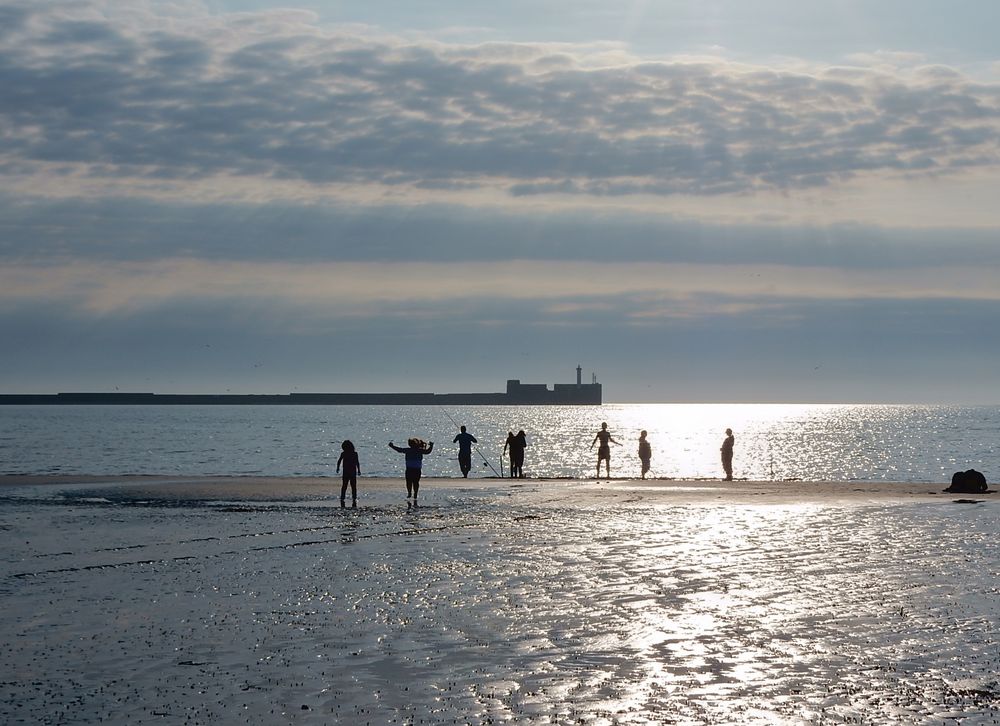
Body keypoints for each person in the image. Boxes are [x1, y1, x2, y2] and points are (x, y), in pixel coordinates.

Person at [336, 440, 361, 507]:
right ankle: (354, 498)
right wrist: (358, 470)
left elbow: (339, 461)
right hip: (352, 472)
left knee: (345, 486)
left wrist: (338, 468)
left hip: (346, 472)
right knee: (353, 486)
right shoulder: (354, 453)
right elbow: (357, 463)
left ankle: (343, 497)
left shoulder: (344, 453)